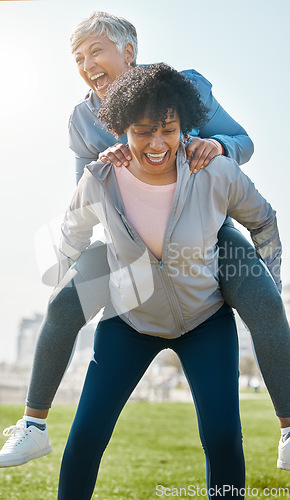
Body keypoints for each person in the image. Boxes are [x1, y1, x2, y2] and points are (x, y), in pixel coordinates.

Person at [0, 11, 290, 472]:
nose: (86, 64)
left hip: (204, 229)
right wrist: (106, 170)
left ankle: (288, 429)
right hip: (128, 239)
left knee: (264, 296)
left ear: (128, 53)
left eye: (96, 50)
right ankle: (33, 427)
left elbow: (242, 141)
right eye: (78, 57)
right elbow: (86, 200)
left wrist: (217, 147)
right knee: (63, 302)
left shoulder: (181, 87)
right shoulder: (82, 118)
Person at [57, 63, 282, 499]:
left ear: (183, 127)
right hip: (128, 324)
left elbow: (265, 221)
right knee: (85, 437)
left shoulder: (214, 171)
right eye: (143, 132)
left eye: (167, 130)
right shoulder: (101, 178)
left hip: (205, 323)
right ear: (122, 130)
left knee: (222, 439)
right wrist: (69, 299)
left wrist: (267, 288)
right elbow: (71, 237)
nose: (156, 143)